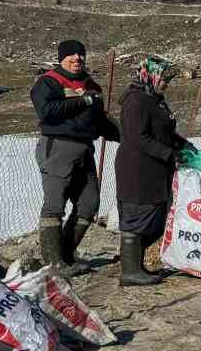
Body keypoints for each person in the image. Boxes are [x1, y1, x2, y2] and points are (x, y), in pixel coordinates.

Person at [30, 39, 119, 273]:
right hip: (58, 147)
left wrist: (129, 136)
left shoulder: (92, 85)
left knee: (89, 203)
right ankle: (53, 262)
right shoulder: (48, 82)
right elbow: (48, 112)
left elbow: (101, 123)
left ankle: (67, 255)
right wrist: (84, 100)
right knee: (54, 205)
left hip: (84, 149)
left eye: (81, 55)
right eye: (71, 55)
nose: (77, 58)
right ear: (61, 58)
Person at [114, 54, 191, 288]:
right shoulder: (136, 101)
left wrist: (181, 144)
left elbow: (162, 131)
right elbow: (138, 138)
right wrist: (169, 153)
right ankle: (130, 270)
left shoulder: (153, 98)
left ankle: (136, 265)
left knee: (155, 217)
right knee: (137, 217)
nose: (167, 83)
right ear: (151, 75)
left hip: (154, 169)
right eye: (164, 78)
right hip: (138, 170)